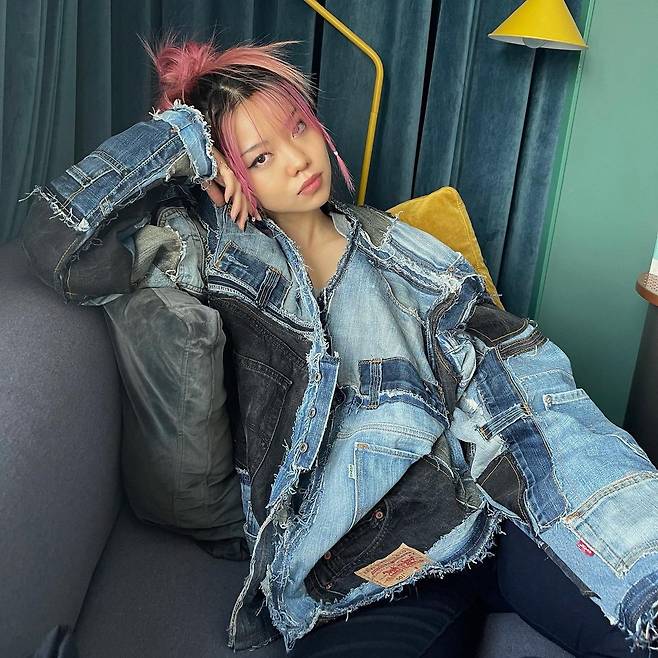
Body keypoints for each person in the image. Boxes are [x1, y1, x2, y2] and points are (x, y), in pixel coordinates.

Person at [19, 35, 658, 657]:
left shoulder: (401, 247)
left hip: (490, 505)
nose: (299, 159)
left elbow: (505, 370)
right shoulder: (209, 257)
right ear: (223, 171)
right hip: (360, 558)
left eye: (298, 127)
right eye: (259, 158)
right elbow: (60, 240)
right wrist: (185, 138)